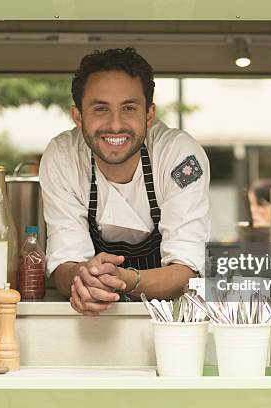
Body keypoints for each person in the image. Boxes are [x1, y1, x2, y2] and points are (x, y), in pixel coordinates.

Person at [39, 48, 210, 316]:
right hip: (92, 323)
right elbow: (64, 264)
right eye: (100, 109)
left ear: (149, 114)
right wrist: (81, 277)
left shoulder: (180, 157)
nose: (116, 125)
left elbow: (186, 271)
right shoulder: (63, 157)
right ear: (78, 116)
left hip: (170, 322)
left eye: (129, 108)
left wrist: (126, 279)